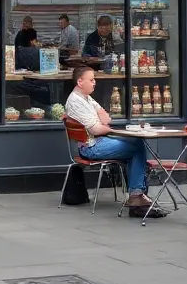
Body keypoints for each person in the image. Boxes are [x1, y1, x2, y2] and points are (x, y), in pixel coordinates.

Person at [64, 66, 160, 216]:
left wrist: (103, 124)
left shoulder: (86, 98)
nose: (94, 82)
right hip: (91, 147)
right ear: (80, 81)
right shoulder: (76, 101)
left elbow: (106, 117)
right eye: (91, 80)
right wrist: (109, 129)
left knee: (137, 142)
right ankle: (136, 195)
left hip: (99, 140)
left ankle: (137, 195)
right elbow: (96, 129)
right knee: (136, 149)